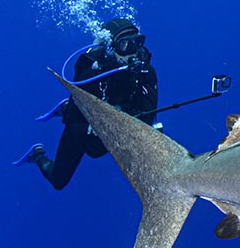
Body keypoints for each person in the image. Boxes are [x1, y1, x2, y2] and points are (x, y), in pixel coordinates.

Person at [16, 18, 158, 189]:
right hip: (81, 127)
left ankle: (64, 107)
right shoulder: (95, 67)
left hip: (113, 133)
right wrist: (100, 62)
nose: (133, 52)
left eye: (138, 42)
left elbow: (148, 114)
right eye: (125, 45)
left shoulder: (145, 73)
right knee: (58, 181)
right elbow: (77, 86)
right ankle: (37, 154)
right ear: (112, 47)